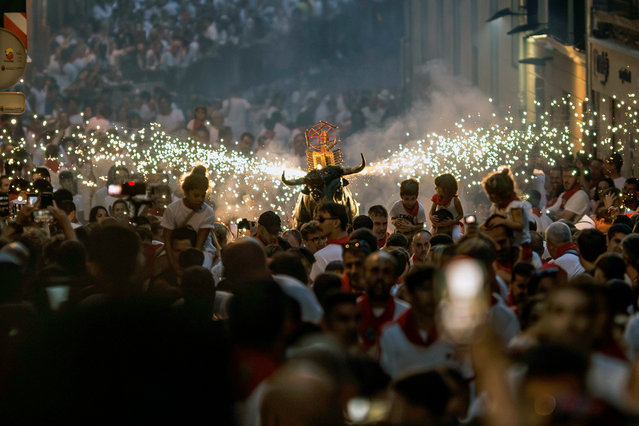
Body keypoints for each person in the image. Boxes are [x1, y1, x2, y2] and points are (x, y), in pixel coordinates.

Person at [379, 264, 459, 379]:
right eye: (425, 289)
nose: (432, 295)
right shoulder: (391, 334)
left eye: (436, 289)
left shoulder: (456, 332)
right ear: (409, 294)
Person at [161, 166, 215, 273]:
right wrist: (174, 266)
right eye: (196, 195)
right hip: (176, 248)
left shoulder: (208, 212)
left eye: (202, 196)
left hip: (201, 250)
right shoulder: (172, 209)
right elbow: (167, 240)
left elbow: (198, 248)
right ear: (186, 193)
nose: (200, 199)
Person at [358, 251, 410, 351]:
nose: (380, 277)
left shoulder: (407, 314)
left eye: (386, 272)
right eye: (374, 271)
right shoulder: (351, 312)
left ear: (394, 277)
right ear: (364, 275)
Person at [482, 168, 532, 262]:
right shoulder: (496, 207)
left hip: (520, 246)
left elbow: (519, 225)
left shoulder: (514, 206)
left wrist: (503, 222)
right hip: (505, 246)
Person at [309, 203, 350, 281]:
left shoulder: (320, 257)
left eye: (321, 220)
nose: (317, 224)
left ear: (336, 223)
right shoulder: (360, 249)